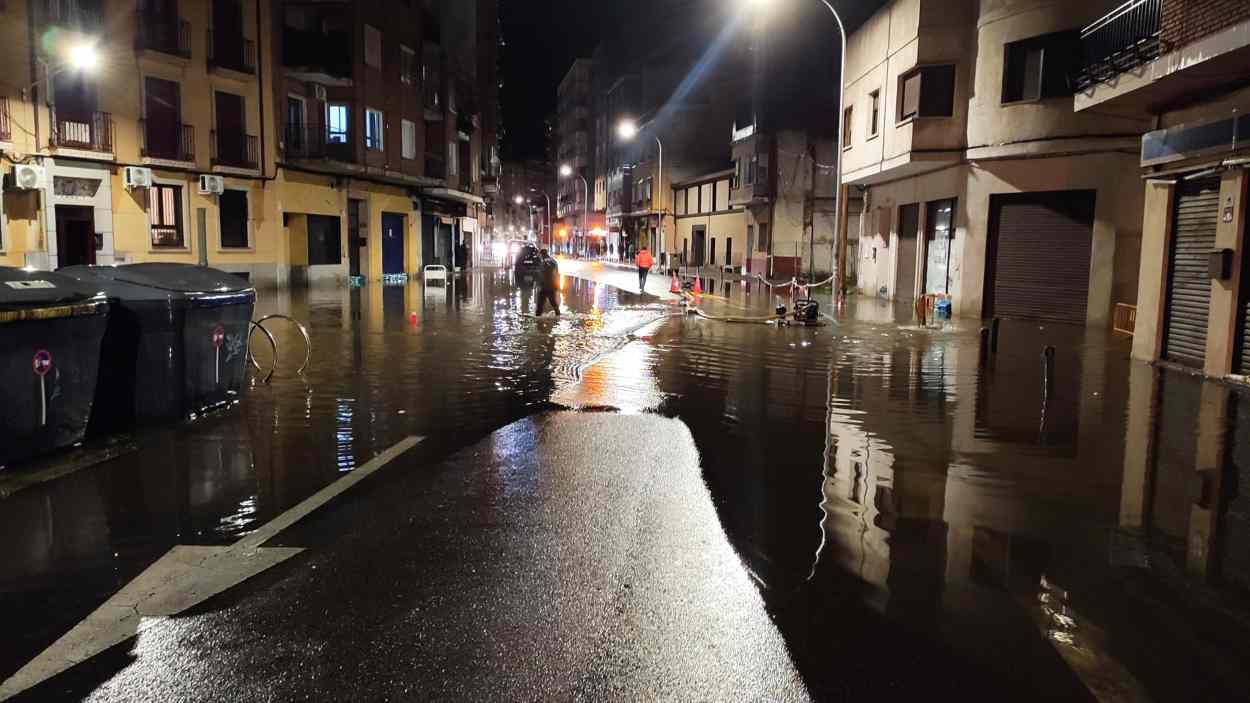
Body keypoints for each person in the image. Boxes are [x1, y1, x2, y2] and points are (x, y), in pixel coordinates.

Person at [536, 249, 561, 316]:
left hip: (545, 286)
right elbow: (557, 273)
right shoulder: (554, 261)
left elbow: (543, 274)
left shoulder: (544, 262)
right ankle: (558, 315)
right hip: (553, 285)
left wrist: (540, 284)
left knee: (540, 304)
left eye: (540, 255)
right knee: (553, 302)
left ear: (541, 255)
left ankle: (538, 319)